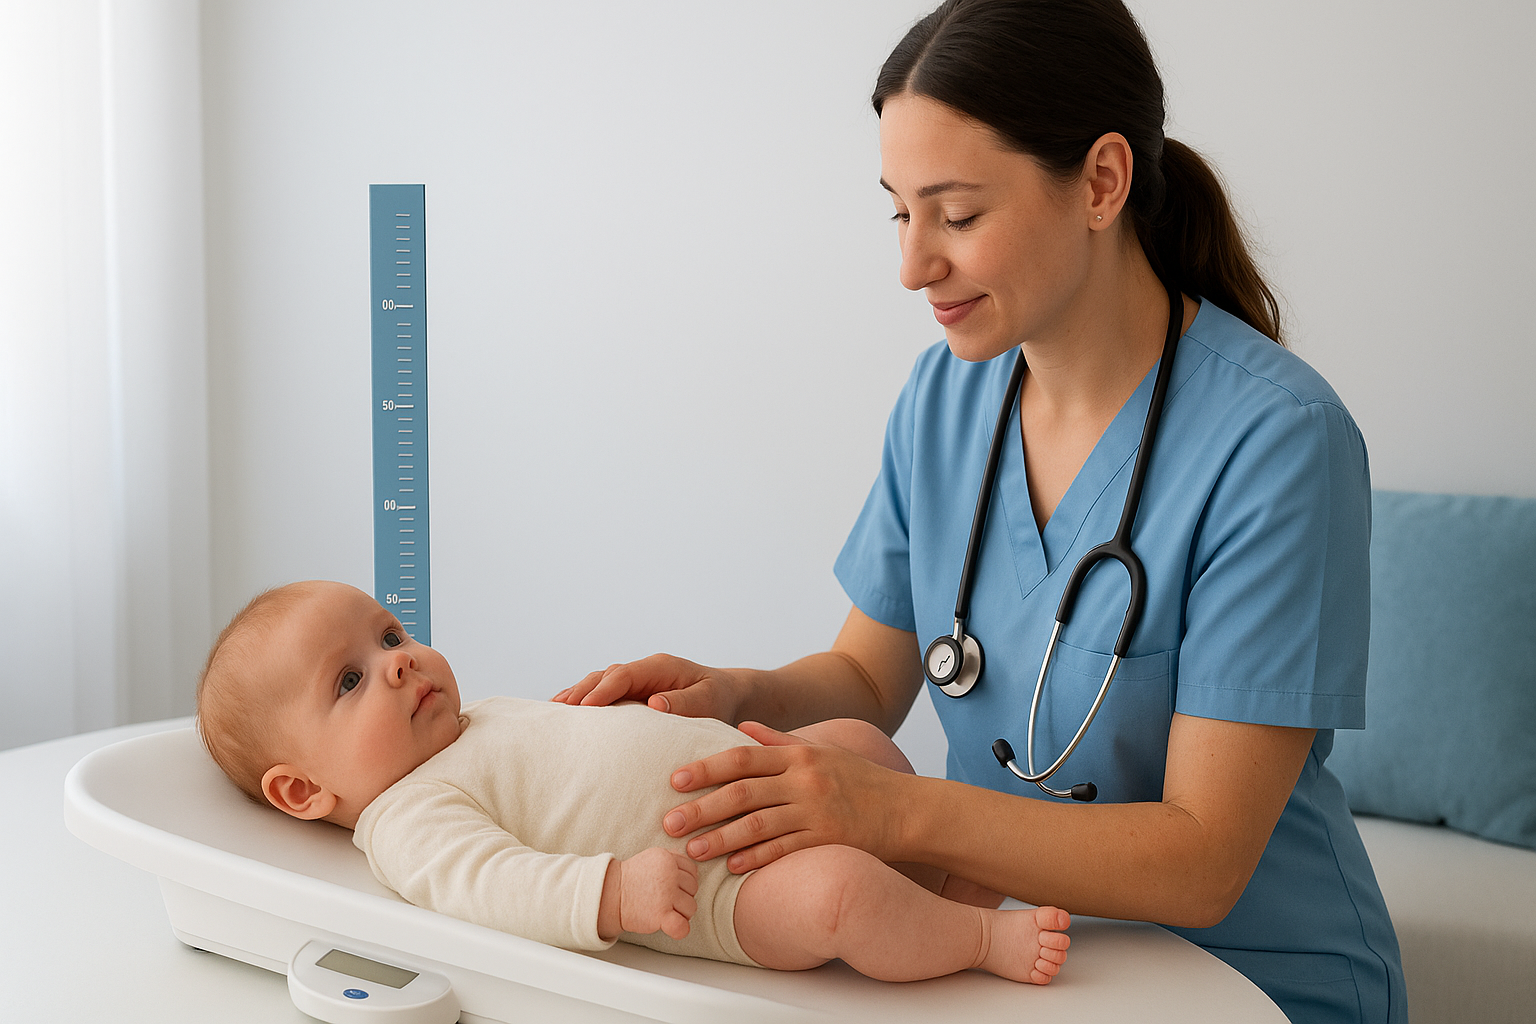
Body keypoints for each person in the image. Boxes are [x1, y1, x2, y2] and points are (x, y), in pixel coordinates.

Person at [553, 1, 1407, 1021]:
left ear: (1102, 182)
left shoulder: (1277, 442)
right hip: (1002, 957)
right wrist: (737, 689)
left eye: (956, 216)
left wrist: (892, 810)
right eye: (899, 212)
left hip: (1249, 981)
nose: (913, 266)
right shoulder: (946, 398)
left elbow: (1201, 860)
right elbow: (871, 674)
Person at [194, 579, 1072, 985]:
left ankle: (936, 882)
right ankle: (973, 942)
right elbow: (492, 887)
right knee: (839, 897)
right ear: (302, 792)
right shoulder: (406, 818)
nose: (397, 664)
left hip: (759, 791)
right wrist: (614, 891)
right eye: (348, 681)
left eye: (390, 636)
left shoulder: (483, 719)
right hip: (729, 891)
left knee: (856, 743)